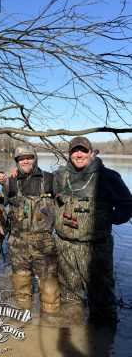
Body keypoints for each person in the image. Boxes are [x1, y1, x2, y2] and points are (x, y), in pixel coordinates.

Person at [54, 136, 132, 324]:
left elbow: (128, 207)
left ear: (91, 153)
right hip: (64, 246)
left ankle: (103, 344)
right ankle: (72, 337)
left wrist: (106, 219)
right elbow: (36, 185)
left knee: (102, 301)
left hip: (95, 249)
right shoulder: (59, 176)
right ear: (69, 154)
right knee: (69, 297)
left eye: (83, 150)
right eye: (74, 151)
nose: (78, 154)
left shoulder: (108, 177)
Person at [0, 145, 60, 313]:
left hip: (44, 243)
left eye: (28, 157)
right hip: (18, 242)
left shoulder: (49, 179)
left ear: (35, 158)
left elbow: (65, 199)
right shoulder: (11, 182)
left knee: (50, 289)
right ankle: (24, 322)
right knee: (21, 286)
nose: (25, 161)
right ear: (16, 162)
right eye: (21, 158)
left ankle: (51, 324)